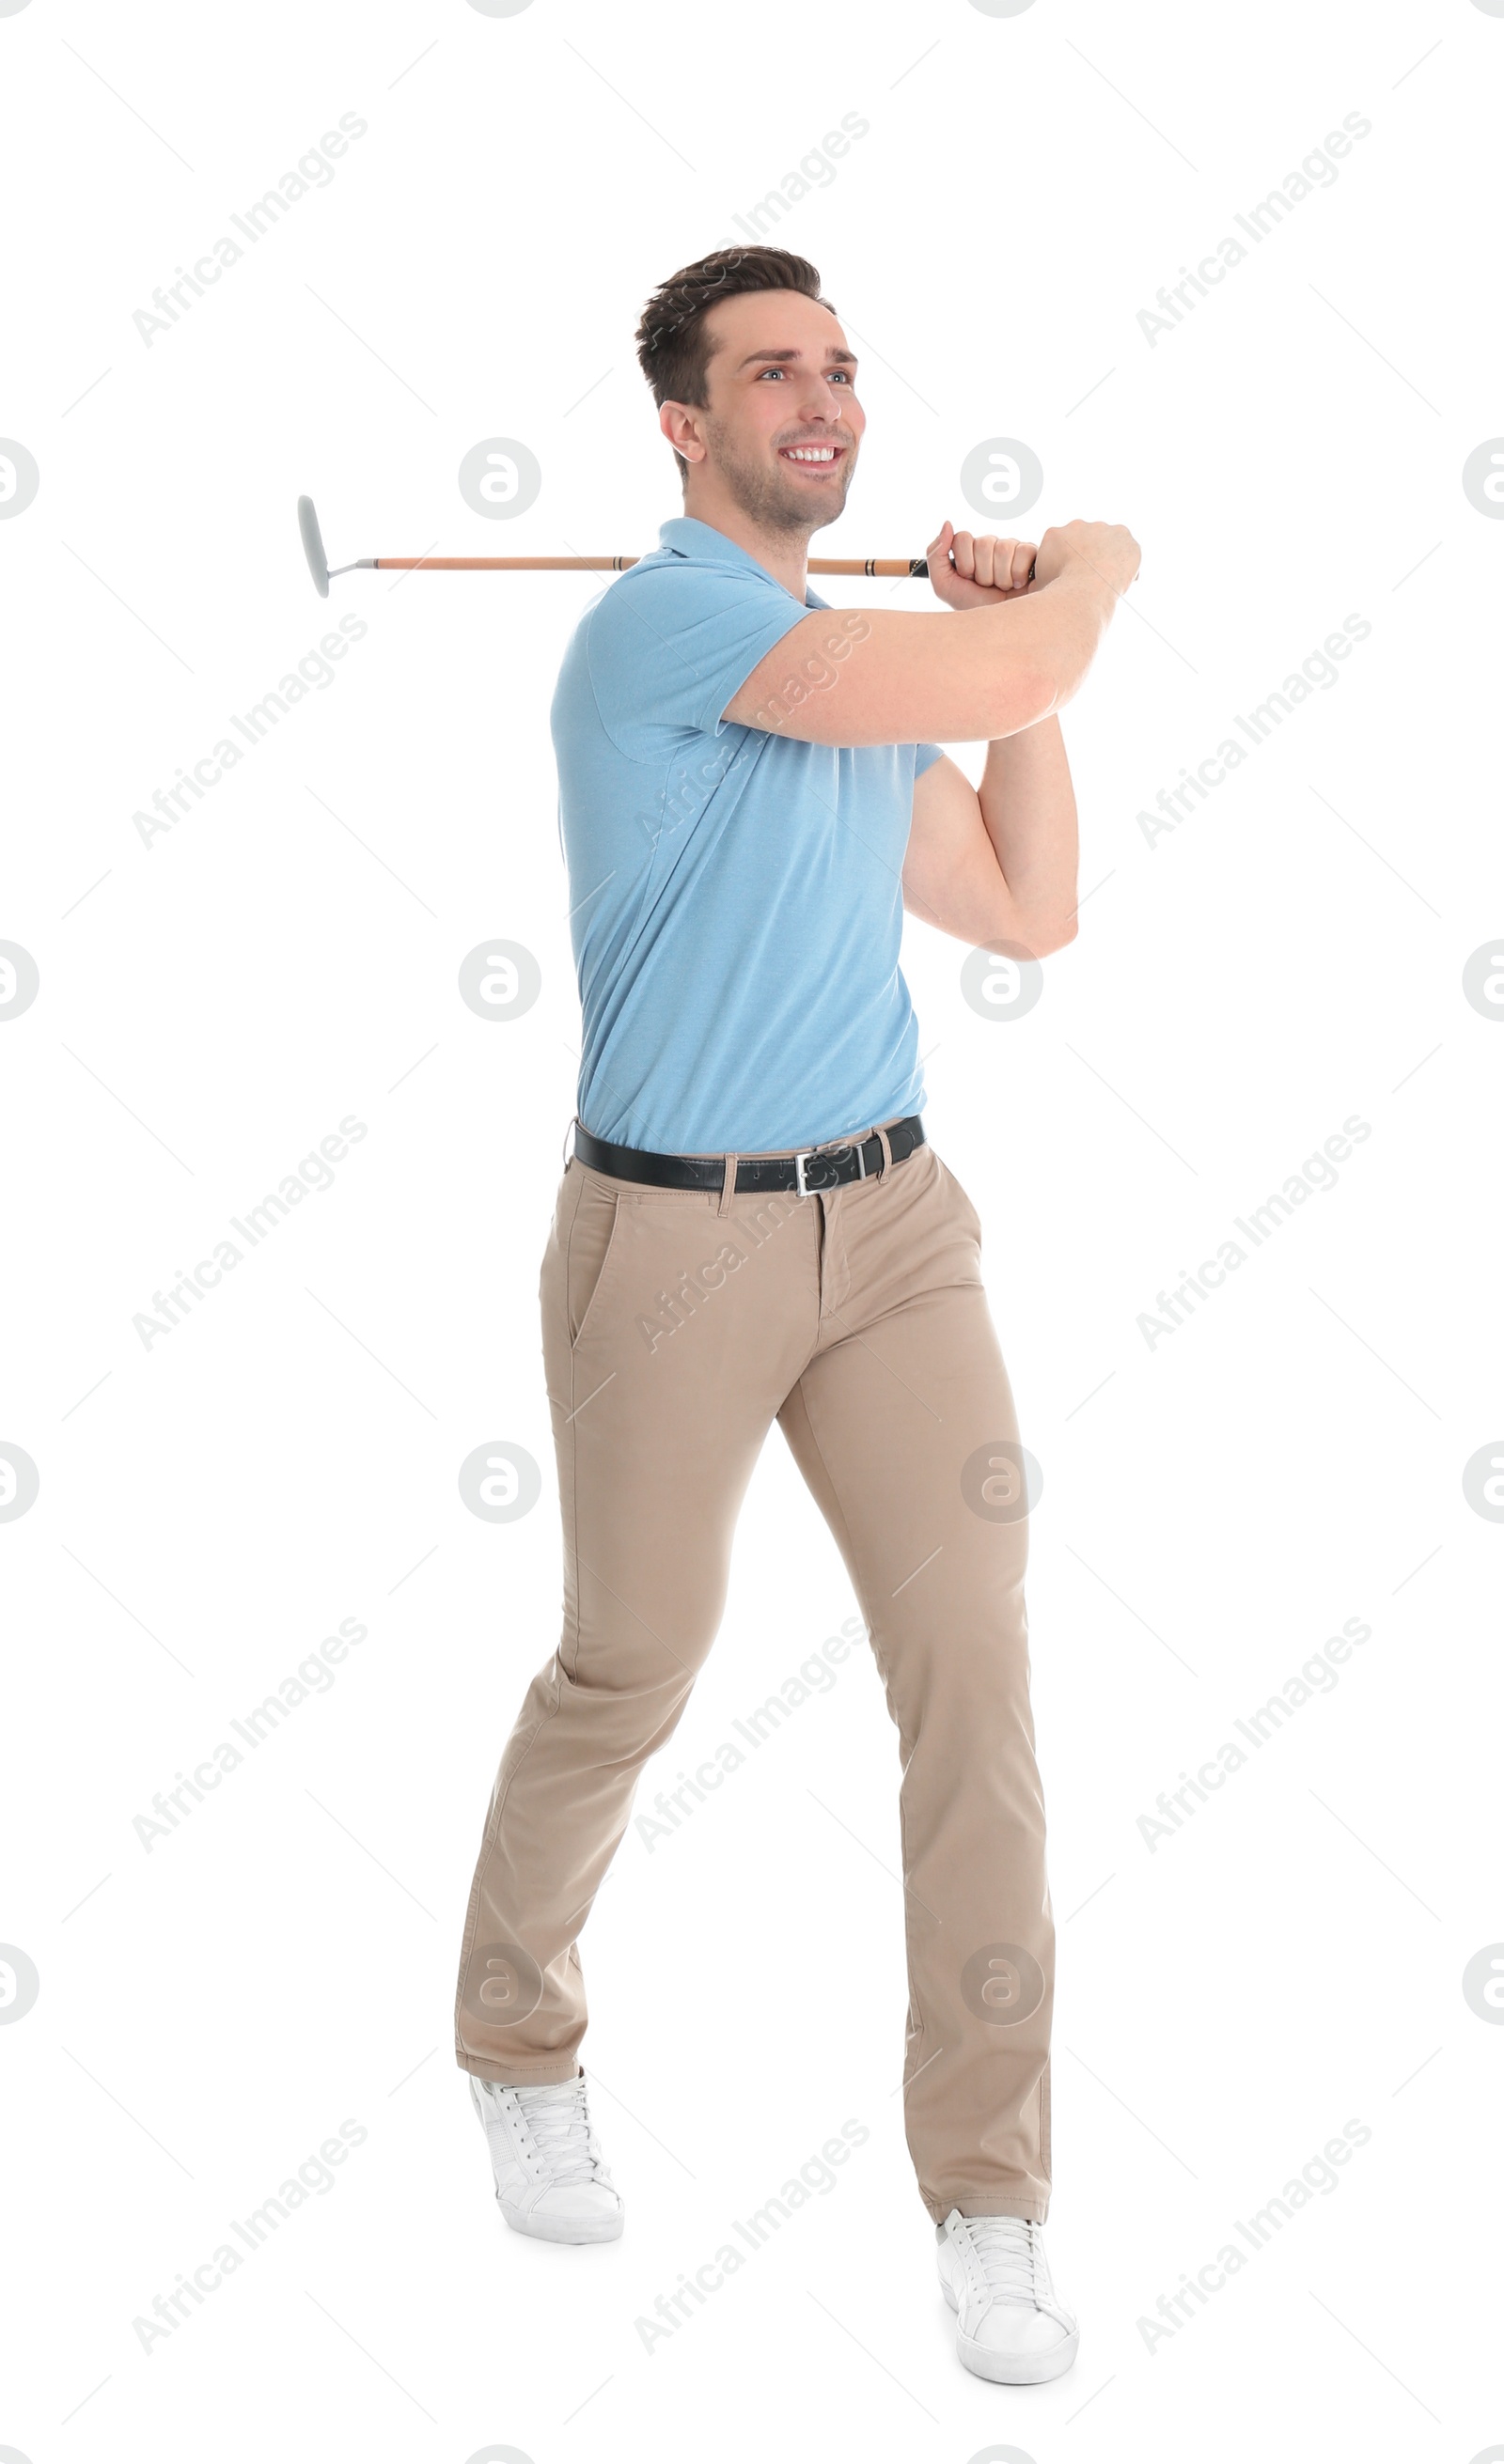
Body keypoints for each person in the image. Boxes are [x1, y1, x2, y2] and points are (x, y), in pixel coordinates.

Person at [453, 243, 1140, 2387]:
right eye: (772, 372)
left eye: (838, 367)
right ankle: (514, 2035)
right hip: (670, 1250)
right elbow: (969, 675)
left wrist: (1009, 659)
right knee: (630, 1661)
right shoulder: (673, 621)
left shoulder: (841, 664)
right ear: (682, 423)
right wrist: (1087, 572)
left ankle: (991, 2200)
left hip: (894, 1229)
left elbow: (1025, 908)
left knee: (975, 1693)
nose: (821, 399)